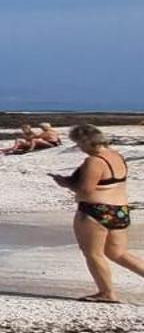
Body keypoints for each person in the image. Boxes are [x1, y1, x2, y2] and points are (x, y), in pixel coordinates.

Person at [50, 124, 141, 303]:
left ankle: (106, 293)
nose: (79, 148)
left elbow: (86, 189)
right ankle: (107, 291)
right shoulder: (116, 156)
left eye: (78, 144)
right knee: (119, 253)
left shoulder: (95, 161)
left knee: (93, 253)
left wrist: (65, 183)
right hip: (119, 210)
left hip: (96, 210)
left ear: (85, 142)